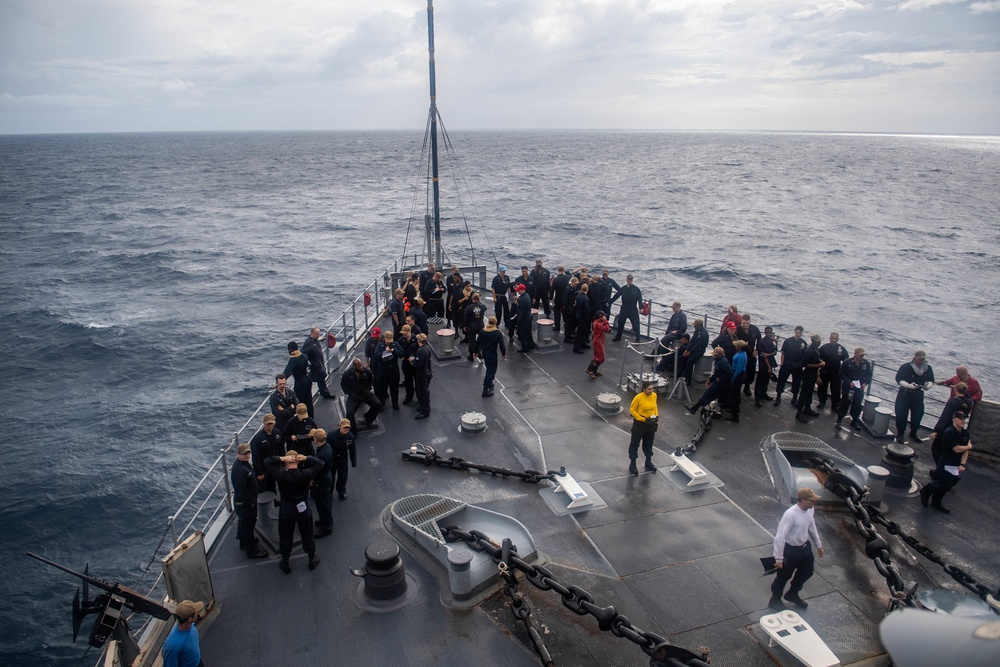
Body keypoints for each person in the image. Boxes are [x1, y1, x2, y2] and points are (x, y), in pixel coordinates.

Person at [265, 451, 324, 573]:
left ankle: (285, 561)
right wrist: (306, 458)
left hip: (287, 510)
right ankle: (312, 558)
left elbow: (267, 462)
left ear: (286, 461)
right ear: (298, 460)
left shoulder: (281, 476)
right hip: (303, 510)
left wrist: (281, 457)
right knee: (307, 533)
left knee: (286, 536)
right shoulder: (305, 474)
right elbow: (320, 463)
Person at [769, 488, 824, 611]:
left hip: (805, 547)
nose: (814, 503)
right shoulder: (791, 515)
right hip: (790, 550)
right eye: (812, 501)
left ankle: (792, 593)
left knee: (808, 571)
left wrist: (818, 544)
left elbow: (811, 525)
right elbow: (780, 536)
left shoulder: (810, 510)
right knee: (783, 576)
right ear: (803, 500)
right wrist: (778, 558)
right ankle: (775, 599)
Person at [920, 411, 973, 514]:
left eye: (964, 418)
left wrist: (962, 464)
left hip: (956, 464)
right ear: (954, 419)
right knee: (943, 484)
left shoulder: (965, 433)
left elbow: (965, 451)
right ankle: (927, 489)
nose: (963, 420)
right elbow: (957, 449)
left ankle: (936, 502)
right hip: (946, 462)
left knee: (950, 484)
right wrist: (969, 446)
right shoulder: (949, 432)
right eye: (960, 418)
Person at [232, 443, 267, 558]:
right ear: (238, 454)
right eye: (244, 454)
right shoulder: (241, 470)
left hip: (243, 503)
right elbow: (242, 490)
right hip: (245, 504)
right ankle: (252, 551)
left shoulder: (242, 465)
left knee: (243, 523)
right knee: (248, 526)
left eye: (248, 453)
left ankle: (243, 540)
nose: (247, 456)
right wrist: (251, 503)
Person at [894, 350, 935, 444]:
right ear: (915, 357)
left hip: (918, 394)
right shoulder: (906, 367)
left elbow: (931, 379)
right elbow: (898, 378)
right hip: (905, 393)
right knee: (901, 414)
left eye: (923, 359)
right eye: (920, 358)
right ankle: (900, 433)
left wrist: (928, 385)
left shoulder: (928, 368)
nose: (922, 360)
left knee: (918, 414)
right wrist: (908, 385)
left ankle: (914, 432)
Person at [928, 383, 973, 466]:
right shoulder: (969, 402)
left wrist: (936, 431)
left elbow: (945, 416)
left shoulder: (953, 402)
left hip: (948, 428)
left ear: (956, 390)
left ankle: (940, 469)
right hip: (959, 429)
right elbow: (969, 398)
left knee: (936, 448)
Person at [836, 347, 873, 430]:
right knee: (845, 403)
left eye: (863, 355)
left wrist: (865, 383)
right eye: (860, 355)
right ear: (855, 353)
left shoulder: (865, 363)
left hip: (859, 387)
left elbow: (869, 375)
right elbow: (842, 373)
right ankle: (839, 420)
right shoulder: (847, 362)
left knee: (857, 404)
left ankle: (854, 420)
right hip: (848, 387)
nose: (861, 357)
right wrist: (849, 382)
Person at [686, 347, 732, 413]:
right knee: (727, 398)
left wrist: (720, 379)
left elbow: (729, 372)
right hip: (725, 383)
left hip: (721, 383)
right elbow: (717, 373)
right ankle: (735, 414)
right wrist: (710, 380)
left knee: (708, 394)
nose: (714, 356)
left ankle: (694, 408)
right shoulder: (721, 361)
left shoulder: (723, 362)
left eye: (715, 355)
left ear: (720, 355)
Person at [341, 357, 381, 433]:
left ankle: (368, 419)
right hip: (354, 396)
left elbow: (371, 379)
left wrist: (368, 388)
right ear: (354, 366)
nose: (361, 367)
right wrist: (349, 392)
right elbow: (343, 384)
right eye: (358, 366)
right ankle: (353, 430)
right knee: (349, 413)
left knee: (378, 404)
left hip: (365, 393)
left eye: (361, 365)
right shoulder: (347, 374)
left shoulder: (366, 372)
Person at [627, 381, 659, 476]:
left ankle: (648, 461)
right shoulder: (638, 398)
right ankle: (632, 463)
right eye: (649, 389)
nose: (651, 391)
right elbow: (632, 410)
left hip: (651, 423)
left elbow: (655, 406)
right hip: (640, 423)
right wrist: (642, 419)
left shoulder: (654, 395)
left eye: (652, 389)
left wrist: (656, 416)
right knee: (635, 442)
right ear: (643, 389)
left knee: (649, 442)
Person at [162, 599, 205, 667]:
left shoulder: (191, 625)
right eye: (195, 612)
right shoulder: (172, 644)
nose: (197, 612)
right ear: (190, 619)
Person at [774, 326, 807, 406]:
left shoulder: (803, 343)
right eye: (798, 332)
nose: (799, 334)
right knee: (781, 380)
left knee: (796, 382)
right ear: (795, 331)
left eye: (801, 333)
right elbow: (783, 353)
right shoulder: (788, 341)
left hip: (798, 366)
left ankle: (794, 398)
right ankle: (778, 397)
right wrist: (782, 363)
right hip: (787, 364)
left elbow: (804, 356)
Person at [795, 334, 825, 423]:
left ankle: (807, 408)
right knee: (804, 393)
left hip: (813, 375)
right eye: (817, 341)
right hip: (808, 375)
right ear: (813, 341)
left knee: (809, 393)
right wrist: (818, 365)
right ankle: (799, 412)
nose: (819, 342)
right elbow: (804, 364)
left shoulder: (816, 350)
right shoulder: (809, 351)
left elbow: (816, 359)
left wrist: (820, 362)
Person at [249, 413, 282, 493]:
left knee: (279, 484)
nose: (270, 426)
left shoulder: (278, 433)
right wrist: (259, 472)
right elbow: (255, 457)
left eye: (272, 423)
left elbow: (281, 449)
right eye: (268, 424)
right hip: (265, 468)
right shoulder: (257, 439)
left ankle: (275, 499)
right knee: (266, 487)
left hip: (276, 465)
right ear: (264, 424)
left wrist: (282, 464)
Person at [310, 429, 334, 537]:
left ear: (316, 439)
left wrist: (312, 479)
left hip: (321, 481)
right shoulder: (327, 447)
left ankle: (326, 527)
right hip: (326, 477)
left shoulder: (322, 455)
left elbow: (317, 470)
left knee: (323, 503)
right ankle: (325, 520)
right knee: (326, 502)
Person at [816, 333, 848, 411]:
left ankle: (835, 405)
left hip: (836, 372)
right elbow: (818, 359)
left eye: (835, 339)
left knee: (836, 390)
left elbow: (846, 360)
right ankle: (822, 401)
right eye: (832, 338)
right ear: (829, 338)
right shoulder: (824, 347)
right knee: (822, 388)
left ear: (838, 339)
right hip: (825, 371)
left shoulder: (841, 349)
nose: (833, 340)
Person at [372, 331, 403, 410]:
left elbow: (402, 353)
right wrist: (384, 352)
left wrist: (394, 351)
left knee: (394, 387)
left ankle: (395, 403)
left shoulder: (395, 345)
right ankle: (381, 404)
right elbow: (375, 355)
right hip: (383, 368)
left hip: (393, 368)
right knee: (382, 387)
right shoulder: (380, 346)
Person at [302, 327, 334, 400]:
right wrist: (308, 363)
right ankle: (308, 378)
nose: (318, 335)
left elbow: (319, 339)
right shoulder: (308, 343)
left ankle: (325, 393)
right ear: (312, 334)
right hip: (315, 365)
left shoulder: (315, 340)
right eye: (317, 334)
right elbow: (303, 354)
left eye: (319, 334)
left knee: (322, 380)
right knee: (322, 374)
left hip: (320, 362)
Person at [478, 316, 507, 397]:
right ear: (495, 323)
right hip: (492, 354)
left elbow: (478, 342)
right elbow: (502, 345)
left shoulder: (482, 331)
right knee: (491, 371)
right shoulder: (497, 333)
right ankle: (486, 389)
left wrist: (475, 352)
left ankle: (490, 382)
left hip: (485, 352)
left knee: (488, 367)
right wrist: (503, 354)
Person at [330, 418, 357, 500]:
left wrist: (353, 462)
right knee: (331, 476)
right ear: (340, 426)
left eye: (348, 428)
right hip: (333, 458)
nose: (346, 429)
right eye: (344, 427)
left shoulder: (350, 436)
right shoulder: (332, 435)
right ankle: (330, 491)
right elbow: (326, 448)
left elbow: (353, 449)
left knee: (343, 476)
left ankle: (341, 491)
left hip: (343, 458)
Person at [283, 341, 313, 417]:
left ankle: (301, 419)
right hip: (307, 379)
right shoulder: (304, 356)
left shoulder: (293, 360)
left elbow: (286, 373)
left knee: (300, 402)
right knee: (309, 401)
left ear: (290, 349)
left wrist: (279, 381)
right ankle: (311, 418)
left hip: (300, 382)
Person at [610, 274, 642, 342]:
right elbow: (616, 295)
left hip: (633, 309)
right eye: (629, 279)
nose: (630, 280)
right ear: (627, 280)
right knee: (620, 323)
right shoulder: (623, 288)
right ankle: (618, 337)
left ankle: (638, 338)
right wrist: (610, 302)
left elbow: (640, 299)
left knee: (636, 325)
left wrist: (641, 307)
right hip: (624, 308)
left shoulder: (636, 289)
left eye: (631, 279)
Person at [736, 314, 761, 396]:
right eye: (744, 323)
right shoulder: (737, 329)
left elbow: (760, 340)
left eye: (747, 323)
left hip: (750, 354)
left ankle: (747, 386)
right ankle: (737, 386)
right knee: (739, 369)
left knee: (750, 370)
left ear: (750, 321)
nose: (745, 325)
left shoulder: (755, 329)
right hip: (740, 353)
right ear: (741, 322)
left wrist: (757, 350)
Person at [681, 318, 709, 387]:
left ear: (699, 325)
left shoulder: (704, 334)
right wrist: (687, 349)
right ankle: (681, 373)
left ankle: (688, 380)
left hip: (700, 350)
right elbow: (692, 341)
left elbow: (698, 345)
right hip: (694, 348)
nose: (694, 326)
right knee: (682, 357)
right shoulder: (696, 331)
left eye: (695, 325)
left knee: (689, 362)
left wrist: (690, 352)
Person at [754, 326, 778, 407]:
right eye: (767, 332)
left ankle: (763, 394)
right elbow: (763, 356)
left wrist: (776, 343)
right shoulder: (761, 342)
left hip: (770, 363)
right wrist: (769, 367)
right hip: (764, 365)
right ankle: (757, 398)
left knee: (766, 380)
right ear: (765, 332)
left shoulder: (772, 341)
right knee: (760, 381)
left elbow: (775, 352)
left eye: (770, 333)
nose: (768, 334)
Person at [412, 333, 433, 419]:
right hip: (427, 372)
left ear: (418, 341)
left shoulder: (420, 351)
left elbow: (418, 364)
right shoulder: (427, 348)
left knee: (423, 392)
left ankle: (425, 411)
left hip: (422, 374)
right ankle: (424, 407)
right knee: (425, 391)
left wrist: (412, 361)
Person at [727, 339, 748, 422]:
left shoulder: (740, 356)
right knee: (736, 392)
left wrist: (733, 377)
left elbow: (738, 369)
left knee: (735, 393)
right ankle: (735, 409)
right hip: (739, 374)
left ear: (739, 347)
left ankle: (735, 415)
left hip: (738, 375)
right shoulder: (742, 353)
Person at [398, 325, 419, 405]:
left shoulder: (416, 339)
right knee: (408, 381)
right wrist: (401, 356)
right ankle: (409, 396)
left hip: (415, 364)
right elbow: (398, 349)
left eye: (405, 333)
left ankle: (419, 396)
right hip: (406, 363)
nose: (403, 335)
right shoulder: (401, 340)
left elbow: (420, 350)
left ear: (409, 332)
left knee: (417, 381)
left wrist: (414, 358)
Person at [463, 292, 488, 360]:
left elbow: (465, 318)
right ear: (479, 299)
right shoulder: (482, 306)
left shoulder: (468, 307)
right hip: (480, 325)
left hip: (472, 325)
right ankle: (479, 353)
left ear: (472, 298)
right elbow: (485, 308)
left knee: (472, 340)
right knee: (480, 340)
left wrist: (465, 326)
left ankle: (471, 355)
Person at [513, 283, 537, 352]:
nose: (517, 292)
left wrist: (519, 319)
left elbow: (522, 310)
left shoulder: (522, 299)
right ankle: (531, 344)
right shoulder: (527, 295)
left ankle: (525, 348)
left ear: (522, 290)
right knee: (528, 332)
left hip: (524, 319)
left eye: (518, 290)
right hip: (529, 317)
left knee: (523, 334)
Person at [586, 311, 611, 378]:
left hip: (599, 340)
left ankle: (594, 370)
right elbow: (607, 329)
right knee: (600, 358)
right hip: (598, 342)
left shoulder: (597, 322)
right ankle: (590, 369)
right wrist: (606, 321)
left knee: (597, 356)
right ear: (600, 317)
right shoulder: (598, 324)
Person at [550, 266, 570, 333]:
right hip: (565, 298)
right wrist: (566, 270)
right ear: (563, 270)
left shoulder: (555, 280)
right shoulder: (567, 278)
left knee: (557, 312)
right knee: (565, 312)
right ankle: (566, 323)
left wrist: (551, 298)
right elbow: (570, 274)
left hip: (558, 298)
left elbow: (552, 290)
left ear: (558, 270)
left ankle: (557, 326)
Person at [573, 282, 591, 353]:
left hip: (578, 314)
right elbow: (586, 310)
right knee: (580, 332)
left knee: (582, 331)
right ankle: (576, 348)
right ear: (587, 289)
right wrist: (588, 318)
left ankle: (582, 343)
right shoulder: (586, 299)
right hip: (583, 316)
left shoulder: (578, 295)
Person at [562, 277, 580, 344]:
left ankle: (569, 335)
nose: (576, 285)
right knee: (568, 324)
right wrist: (569, 308)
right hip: (568, 309)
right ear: (572, 282)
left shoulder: (572, 289)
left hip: (571, 308)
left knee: (570, 324)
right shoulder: (568, 289)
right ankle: (567, 337)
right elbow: (565, 300)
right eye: (575, 284)